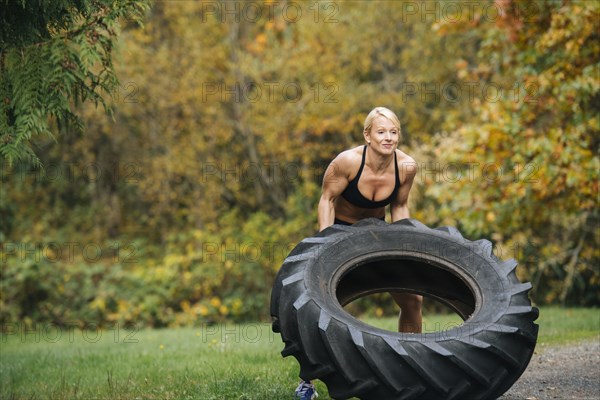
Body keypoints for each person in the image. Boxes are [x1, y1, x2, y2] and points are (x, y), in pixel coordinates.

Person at [294, 106, 422, 400]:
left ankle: (409, 367)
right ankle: (307, 383)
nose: (388, 138)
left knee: (413, 298)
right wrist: (325, 242)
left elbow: (399, 207)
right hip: (339, 231)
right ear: (367, 135)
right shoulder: (347, 162)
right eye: (381, 132)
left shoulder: (406, 167)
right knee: (318, 308)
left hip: (377, 232)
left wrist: (405, 243)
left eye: (394, 132)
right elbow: (326, 199)